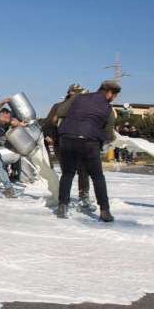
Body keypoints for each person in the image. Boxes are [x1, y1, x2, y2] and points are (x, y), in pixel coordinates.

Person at [56, 80, 121, 222]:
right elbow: (109, 133)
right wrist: (109, 137)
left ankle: (62, 206)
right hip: (89, 142)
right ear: (109, 92)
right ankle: (105, 211)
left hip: (67, 137)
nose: (114, 98)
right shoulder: (108, 109)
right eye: (115, 95)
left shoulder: (78, 97)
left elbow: (60, 112)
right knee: (97, 176)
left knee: (67, 173)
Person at [43, 84, 93, 209]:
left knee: (83, 171)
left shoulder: (84, 107)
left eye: (81, 92)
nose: (79, 95)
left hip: (81, 143)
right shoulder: (59, 106)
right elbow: (48, 123)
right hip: (62, 143)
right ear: (70, 92)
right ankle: (64, 200)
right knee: (67, 172)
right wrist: (48, 135)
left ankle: (84, 196)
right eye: (77, 92)